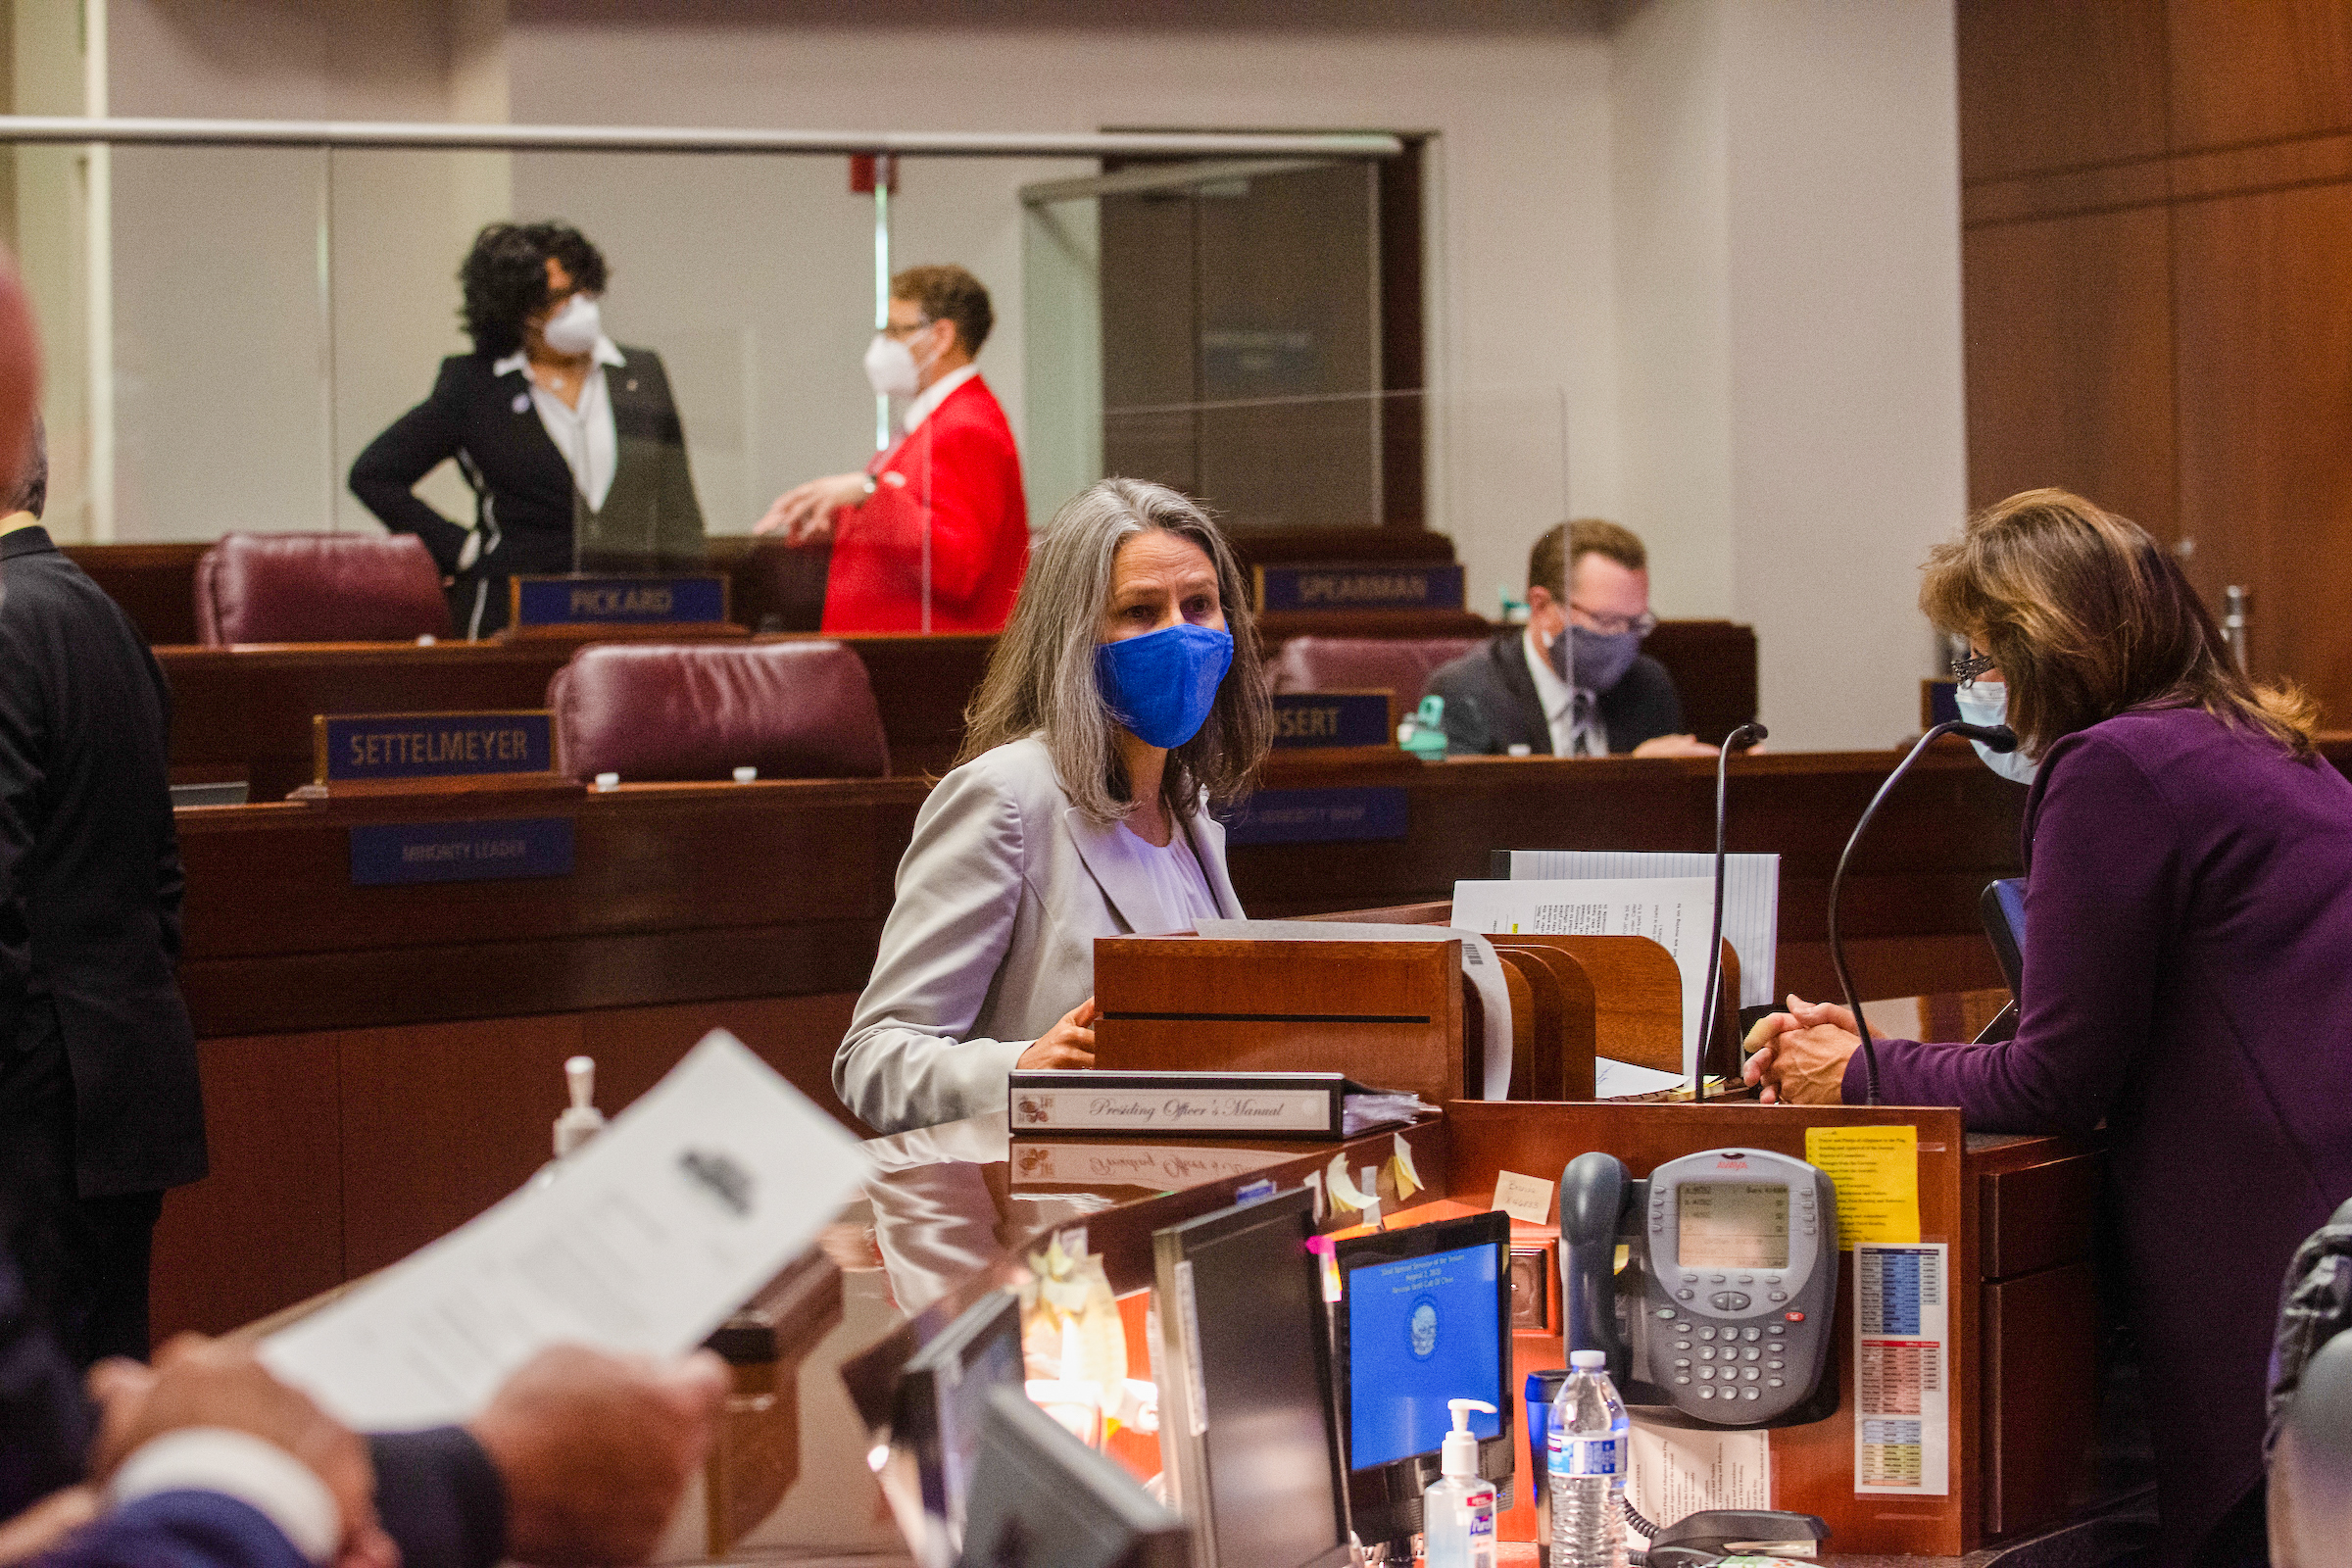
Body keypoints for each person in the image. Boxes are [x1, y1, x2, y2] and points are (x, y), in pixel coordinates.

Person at [1741, 489, 2352, 1568]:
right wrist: (1885, 1056)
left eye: (1982, 653)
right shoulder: (2260, 745)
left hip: (2262, 1274)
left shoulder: (2109, 766)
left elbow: (2056, 1080)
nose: (1973, 684)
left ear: (2045, 647)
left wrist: (1858, 1068)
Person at [835, 478, 1268, 1133]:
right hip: (1050, 1207)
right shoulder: (1006, 798)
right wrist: (1021, 1068)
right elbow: (873, 1059)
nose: (1181, 635)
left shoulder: (1189, 804)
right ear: (1074, 637)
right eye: (1141, 612)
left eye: (1200, 605)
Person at [1, 415, 207, 1368]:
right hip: (122, 1085)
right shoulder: (106, 616)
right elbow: (160, 874)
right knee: (104, 1398)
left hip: (35, 1114)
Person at [349, 221, 707, 639]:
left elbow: (677, 506)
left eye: (583, 291)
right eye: (557, 299)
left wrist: (696, 612)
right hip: (514, 617)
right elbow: (374, 474)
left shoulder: (640, 374)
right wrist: (461, 551)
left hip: (630, 615)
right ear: (516, 311)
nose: (578, 308)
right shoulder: (475, 386)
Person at [754, 264, 1027, 635]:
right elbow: (904, 531)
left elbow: (958, 566)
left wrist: (867, 493)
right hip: (895, 653)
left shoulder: (967, 426)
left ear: (941, 336)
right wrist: (837, 518)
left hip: (927, 663)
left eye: (894, 331)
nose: (881, 345)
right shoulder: (934, 422)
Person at [1425, 518, 1716, 759]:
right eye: (1606, 620)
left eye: (1635, 621)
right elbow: (1470, 819)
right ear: (1541, 606)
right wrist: (1631, 775)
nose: (1622, 637)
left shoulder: (1647, 686)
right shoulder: (1466, 692)